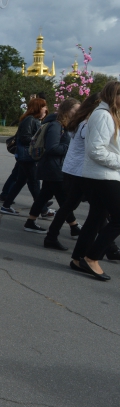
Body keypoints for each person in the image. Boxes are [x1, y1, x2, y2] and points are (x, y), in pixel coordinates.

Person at [46, 94, 120, 256]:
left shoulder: (80, 122)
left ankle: (52, 236)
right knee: (97, 211)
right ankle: (109, 248)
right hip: (80, 171)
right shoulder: (88, 124)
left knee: (85, 208)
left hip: (74, 170)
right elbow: (96, 147)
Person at [71, 81, 120, 281]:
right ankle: (92, 258)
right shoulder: (102, 116)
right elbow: (95, 151)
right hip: (103, 176)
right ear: (113, 96)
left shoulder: (108, 115)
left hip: (102, 175)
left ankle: (77, 258)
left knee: (96, 218)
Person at [23, 98, 81, 238]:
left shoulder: (64, 125)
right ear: (67, 110)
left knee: (44, 196)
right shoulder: (56, 125)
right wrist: (70, 148)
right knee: (65, 200)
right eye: (76, 109)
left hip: (54, 167)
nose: (78, 112)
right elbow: (52, 148)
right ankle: (74, 227)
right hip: (53, 168)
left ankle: (30, 221)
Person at [0, 98, 48, 216]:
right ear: (37, 108)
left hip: (27, 156)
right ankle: (43, 209)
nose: (46, 109)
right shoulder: (30, 120)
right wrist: (39, 142)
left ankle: (6, 205)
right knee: (34, 183)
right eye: (43, 107)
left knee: (21, 181)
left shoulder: (34, 120)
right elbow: (25, 137)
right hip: (28, 156)